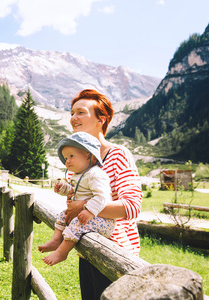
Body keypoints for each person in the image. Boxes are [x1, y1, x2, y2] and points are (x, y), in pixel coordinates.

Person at [64, 89, 142, 300]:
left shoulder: (118, 155)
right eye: (72, 113)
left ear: (102, 119)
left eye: (81, 112)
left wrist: (82, 206)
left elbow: (132, 207)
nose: (73, 118)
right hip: (87, 250)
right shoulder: (78, 161)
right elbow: (73, 204)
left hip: (116, 254)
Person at [38, 132, 115, 266]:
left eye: (71, 156)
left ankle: (62, 252)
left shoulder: (96, 174)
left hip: (104, 221)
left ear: (89, 156)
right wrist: (63, 188)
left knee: (77, 223)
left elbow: (102, 197)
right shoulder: (78, 175)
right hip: (90, 216)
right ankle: (56, 240)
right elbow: (74, 191)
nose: (67, 161)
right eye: (66, 157)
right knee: (63, 215)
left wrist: (89, 211)